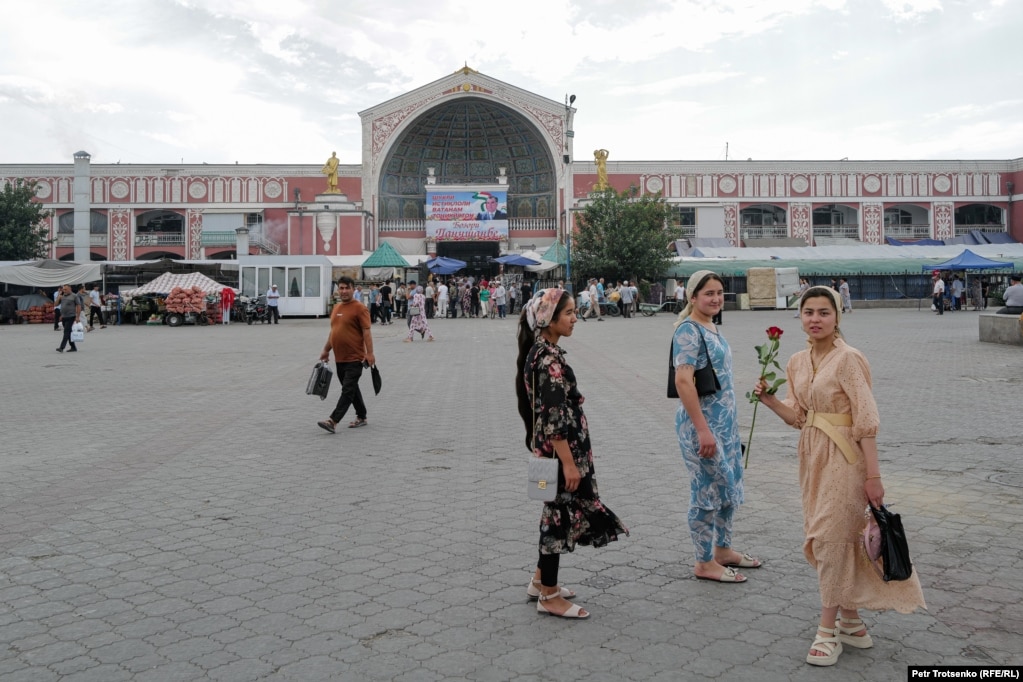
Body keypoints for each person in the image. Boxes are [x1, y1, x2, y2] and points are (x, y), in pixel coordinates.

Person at [753, 286, 925, 666]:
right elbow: (798, 418)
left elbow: (866, 420)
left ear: (837, 317)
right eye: (808, 312)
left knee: (830, 539)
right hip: (812, 456)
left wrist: (874, 476)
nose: (815, 319)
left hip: (848, 459)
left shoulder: (850, 359)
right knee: (834, 535)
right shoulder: (797, 361)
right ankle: (851, 620)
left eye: (824, 312)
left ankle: (827, 630)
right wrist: (769, 401)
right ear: (800, 317)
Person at [515, 288, 628, 619]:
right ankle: (548, 596)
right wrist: (569, 464)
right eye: (568, 313)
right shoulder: (548, 360)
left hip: (545, 454)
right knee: (555, 518)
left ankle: (540, 580)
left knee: (552, 513)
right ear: (548, 319)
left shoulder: (541, 351)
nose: (575, 318)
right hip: (558, 456)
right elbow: (553, 419)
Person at [671, 270, 758, 584]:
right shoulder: (688, 330)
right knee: (706, 491)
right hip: (702, 425)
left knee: (728, 487)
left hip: (724, 425)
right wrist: (703, 429)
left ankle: (722, 549)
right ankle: (704, 561)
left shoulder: (711, 327)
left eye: (720, 293)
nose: (716, 299)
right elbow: (683, 380)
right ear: (692, 297)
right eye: (708, 293)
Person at [317, 277, 375, 433]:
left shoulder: (360, 308)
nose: (343, 291)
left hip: (355, 358)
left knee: (347, 390)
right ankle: (362, 416)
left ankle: (333, 420)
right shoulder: (336, 308)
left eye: (346, 288)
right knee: (351, 388)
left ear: (352, 288)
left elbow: (367, 332)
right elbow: (334, 332)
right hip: (340, 358)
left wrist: (370, 353)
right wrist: (326, 350)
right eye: (341, 288)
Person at [55, 284, 82, 353]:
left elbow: (79, 306)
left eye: (66, 289)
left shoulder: (74, 296)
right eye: (63, 289)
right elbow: (56, 304)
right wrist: (59, 296)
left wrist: (77, 317)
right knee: (69, 332)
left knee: (66, 332)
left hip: (71, 316)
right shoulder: (62, 296)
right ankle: (73, 347)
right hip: (64, 316)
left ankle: (61, 347)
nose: (64, 291)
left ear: (70, 289)